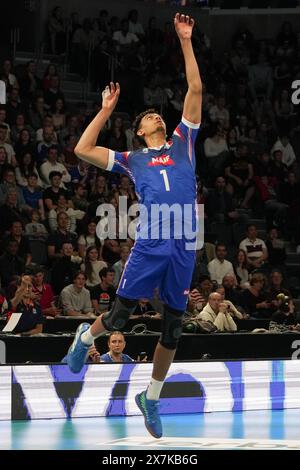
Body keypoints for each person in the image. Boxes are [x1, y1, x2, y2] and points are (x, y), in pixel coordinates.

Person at [65, 12, 202, 439]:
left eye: (158, 116)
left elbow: (195, 88)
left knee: (174, 328)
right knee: (121, 316)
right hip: (152, 242)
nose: (156, 118)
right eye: (148, 118)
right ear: (140, 132)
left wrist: (185, 40)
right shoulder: (131, 159)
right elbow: (82, 148)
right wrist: (106, 109)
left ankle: (152, 398)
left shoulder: (184, 142)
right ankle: (86, 340)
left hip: (184, 243)